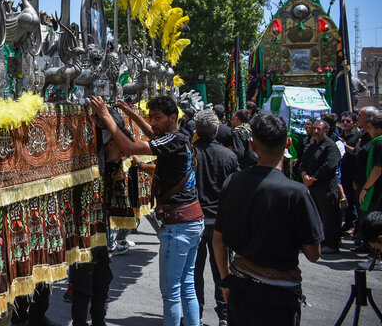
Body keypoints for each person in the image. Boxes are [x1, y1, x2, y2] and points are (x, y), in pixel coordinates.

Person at [91, 95, 203, 326]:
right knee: (187, 286)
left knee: (171, 294)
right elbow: (153, 136)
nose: (153, 122)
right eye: (151, 117)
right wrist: (132, 115)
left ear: (173, 118)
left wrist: (105, 116)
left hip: (179, 225)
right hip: (192, 220)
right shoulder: (181, 138)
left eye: (158, 118)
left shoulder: (172, 141)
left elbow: (129, 146)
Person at [213, 112, 323, 326]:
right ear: (288, 143)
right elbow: (314, 254)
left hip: (241, 288)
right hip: (279, 297)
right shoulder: (297, 193)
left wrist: (226, 280)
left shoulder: (232, 182)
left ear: (252, 145)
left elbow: (219, 239)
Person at [68, 106, 129, 326]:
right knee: (84, 280)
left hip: (100, 232)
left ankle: (98, 320)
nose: (123, 155)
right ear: (110, 143)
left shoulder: (109, 165)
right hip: (83, 233)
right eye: (120, 150)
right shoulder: (88, 164)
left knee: (103, 278)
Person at [192, 109, 238, 326]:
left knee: (195, 272)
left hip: (196, 220)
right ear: (216, 130)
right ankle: (225, 316)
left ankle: (196, 315)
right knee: (222, 271)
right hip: (220, 222)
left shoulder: (190, 153)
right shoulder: (228, 156)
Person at [299, 120, 342, 253]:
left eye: (319, 129)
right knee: (317, 215)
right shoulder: (311, 146)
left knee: (330, 216)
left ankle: (332, 243)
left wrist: (313, 178)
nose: (316, 131)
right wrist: (304, 175)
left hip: (326, 187)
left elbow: (329, 165)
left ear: (326, 131)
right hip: (312, 187)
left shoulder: (330, 146)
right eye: (314, 128)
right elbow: (303, 162)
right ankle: (321, 240)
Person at [352, 106, 378, 253]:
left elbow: (377, 168)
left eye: (360, 115)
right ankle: (366, 244)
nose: (357, 117)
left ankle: (373, 249)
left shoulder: (377, 141)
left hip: (371, 187)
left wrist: (366, 187)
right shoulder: (365, 135)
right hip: (361, 182)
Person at [339, 111, 362, 232]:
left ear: (354, 123)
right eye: (343, 121)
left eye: (348, 121)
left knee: (354, 200)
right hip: (343, 171)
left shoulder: (358, 136)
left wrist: (344, 145)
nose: (345, 123)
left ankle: (355, 225)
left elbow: (355, 152)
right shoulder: (341, 135)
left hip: (353, 172)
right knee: (346, 199)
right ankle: (348, 223)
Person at [359, 111, 382, 214]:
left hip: (377, 191)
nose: (367, 131)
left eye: (370, 128)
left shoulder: (379, 144)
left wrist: (365, 188)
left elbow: (377, 169)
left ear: (379, 130)